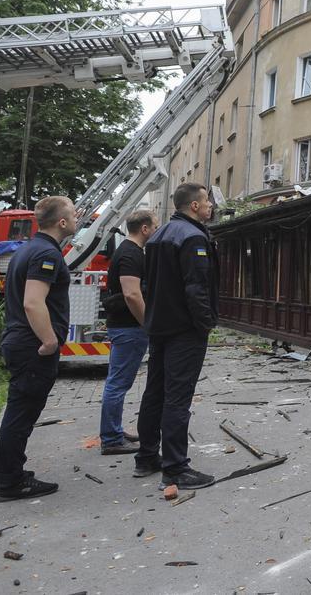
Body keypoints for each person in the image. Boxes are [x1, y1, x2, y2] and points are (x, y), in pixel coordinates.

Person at [0, 195, 78, 502]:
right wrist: (50, 340)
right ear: (61, 222)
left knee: (18, 410)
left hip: (20, 341)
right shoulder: (45, 255)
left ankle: (1, 474)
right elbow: (32, 301)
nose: (77, 220)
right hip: (32, 345)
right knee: (22, 414)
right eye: (74, 215)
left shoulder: (29, 249)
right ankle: (11, 482)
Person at [134, 183, 219, 490]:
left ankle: (146, 457)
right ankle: (175, 468)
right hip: (184, 329)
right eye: (206, 201)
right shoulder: (193, 237)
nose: (210, 206)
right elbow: (196, 286)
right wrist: (205, 323)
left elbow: (152, 284)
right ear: (193, 206)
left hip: (159, 326)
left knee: (154, 392)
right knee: (177, 398)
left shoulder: (157, 236)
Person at [98, 209, 159, 454]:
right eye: (154, 226)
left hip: (126, 326)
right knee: (118, 383)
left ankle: (113, 429)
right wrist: (148, 324)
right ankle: (111, 439)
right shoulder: (131, 254)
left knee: (118, 381)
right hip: (129, 327)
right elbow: (132, 294)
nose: (156, 230)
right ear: (144, 228)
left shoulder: (128, 251)